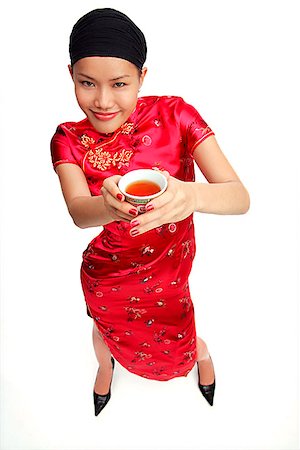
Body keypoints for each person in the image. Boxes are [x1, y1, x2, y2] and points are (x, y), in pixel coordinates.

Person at [50, 8, 250, 416]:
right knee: (104, 329)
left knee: (181, 335)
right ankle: (105, 366)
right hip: (108, 272)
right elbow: (77, 212)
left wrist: (191, 196)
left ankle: (202, 357)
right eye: (87, 83)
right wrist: (105, 206)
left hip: (168, 270)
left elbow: (239, 196)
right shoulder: (68, 138)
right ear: (71, 74)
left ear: (143, 77)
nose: (103, 101)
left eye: (120, 84)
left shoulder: (176, 115)